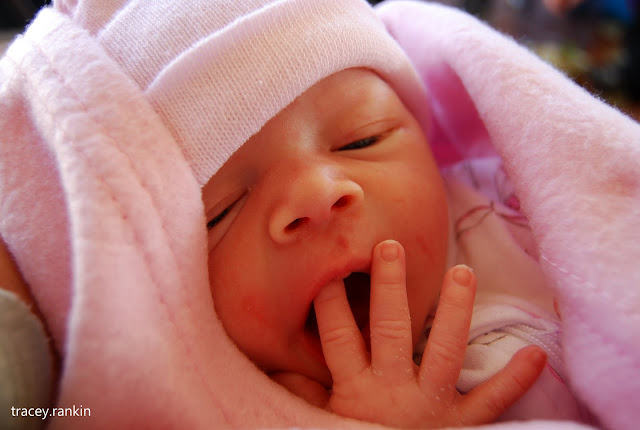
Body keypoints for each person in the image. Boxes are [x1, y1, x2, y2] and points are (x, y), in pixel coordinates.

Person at [4, 0, 636, 428]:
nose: (317, 191)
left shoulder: (521, 217)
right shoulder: (266, 402)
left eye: (362, 138)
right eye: (221, 211)